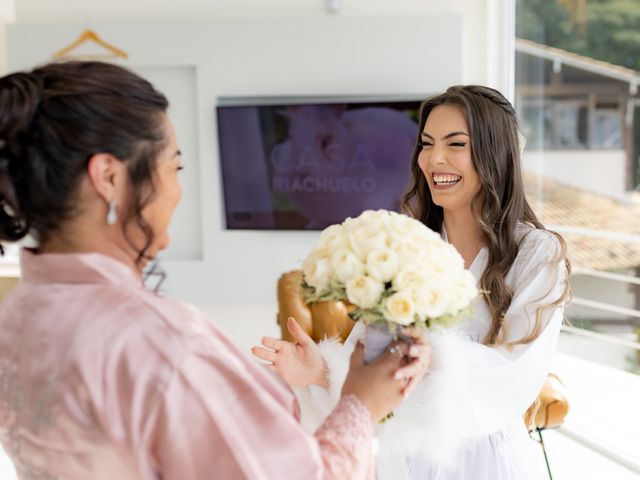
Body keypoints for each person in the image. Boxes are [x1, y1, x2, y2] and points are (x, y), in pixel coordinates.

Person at [0, 61, 432, 480]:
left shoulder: (16, 316)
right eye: (175, 167)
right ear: (109, 177)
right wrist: (361, 404)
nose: (177, 191)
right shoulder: (160, 341)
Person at [252, 85, 571, 479]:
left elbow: (517, 372)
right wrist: (318, 370)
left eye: (456, 143)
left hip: (490, 464)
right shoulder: (406, 248)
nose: (434, 159)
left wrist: (431, 352)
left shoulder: (537, 253)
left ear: (496, 153)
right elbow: (370, 364)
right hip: (405, 463)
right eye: (426, 143)